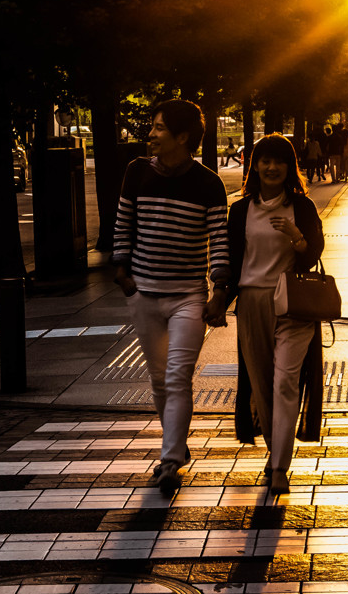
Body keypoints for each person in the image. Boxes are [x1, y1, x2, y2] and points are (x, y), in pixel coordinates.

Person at [112, 99, 229, 497]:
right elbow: (124, 221)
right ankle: (175, 446)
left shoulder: (208, 184)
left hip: (187, 299)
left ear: (182, 137)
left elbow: (220, 242)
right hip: (143, 293)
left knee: (178, 376)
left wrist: (219, 290)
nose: (151, 135)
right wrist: (122, 273)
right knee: (160, 380)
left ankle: (170, 460)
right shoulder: (137, 173)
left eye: (160, 128)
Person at [224, 134, 325, 496]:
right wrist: (218, 299)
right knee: (262, 386)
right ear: (254, 166)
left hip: (293, 304)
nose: (271, 167)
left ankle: (279, 466)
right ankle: (274, 451)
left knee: (285, 382)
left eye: (279, 161)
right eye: (264, 160)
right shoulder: (240, 210)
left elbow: (312, 253)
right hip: (251, 303)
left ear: (289, 167)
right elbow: (231, 260)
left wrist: (298, 238)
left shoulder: (302, 207)